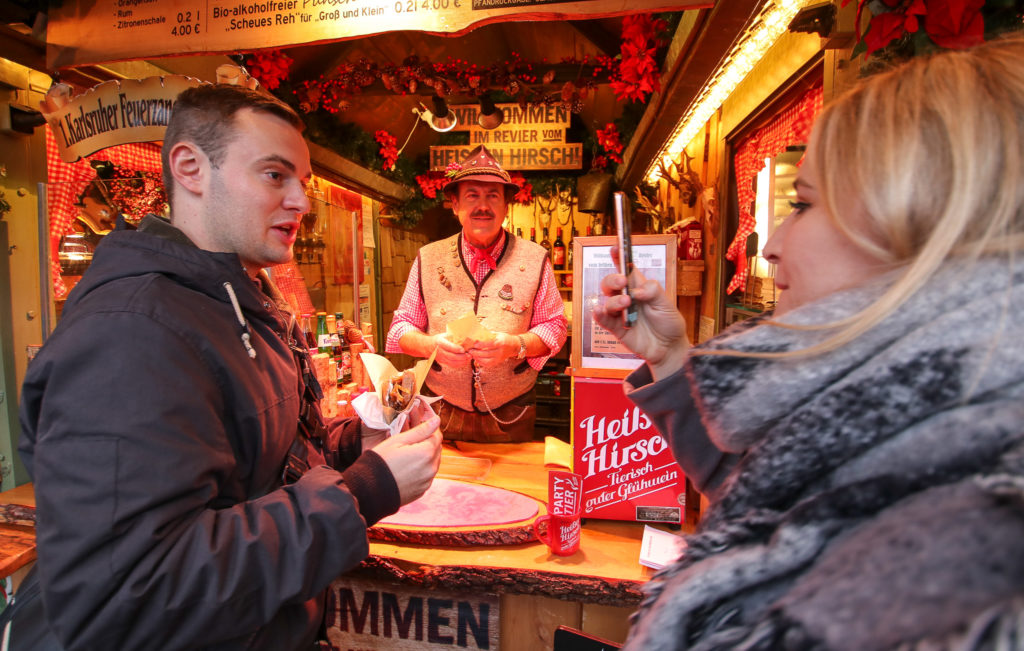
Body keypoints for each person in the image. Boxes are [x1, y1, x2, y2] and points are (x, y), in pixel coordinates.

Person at [596, 37, 1024, 650]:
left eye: (803, 204)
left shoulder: (975, 542)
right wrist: (668, 358)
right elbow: (779, 503)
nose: (768, 245)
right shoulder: (937, 428)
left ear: (920, 229)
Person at [17, 84, 443, 650]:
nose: (301, 202)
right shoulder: (129, 333)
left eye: (304, 183)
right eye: (274, 175)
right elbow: (125, 600)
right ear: (190, 168)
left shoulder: (234, 299)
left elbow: (249, 468)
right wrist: (362, 492)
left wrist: (351, 445)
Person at [386, 145, 567, 442]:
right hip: (439, 410)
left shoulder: (536, 258)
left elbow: (555, 327)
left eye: (493, 196)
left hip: (511, 413)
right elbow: (400, 327)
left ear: (506, 206)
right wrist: (432, 345)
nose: (483, 206)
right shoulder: (428, 258)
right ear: (455, 205)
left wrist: (513, 345)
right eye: (472, 195)